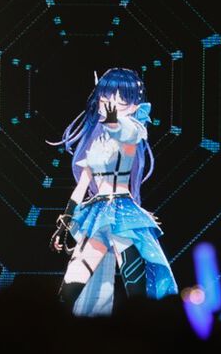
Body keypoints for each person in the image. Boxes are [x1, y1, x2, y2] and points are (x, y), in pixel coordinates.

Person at [49, 68, 178, 316]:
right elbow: (82, 186)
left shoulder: (132, 130)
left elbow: (125, 131)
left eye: (122, 101)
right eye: (107, 99)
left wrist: (112, 121)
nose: (112, 105)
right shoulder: (95, 143)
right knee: (73, 279)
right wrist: (64, 223)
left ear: (135, 105)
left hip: (122, 215)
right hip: (97, 214)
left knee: (136, 288)